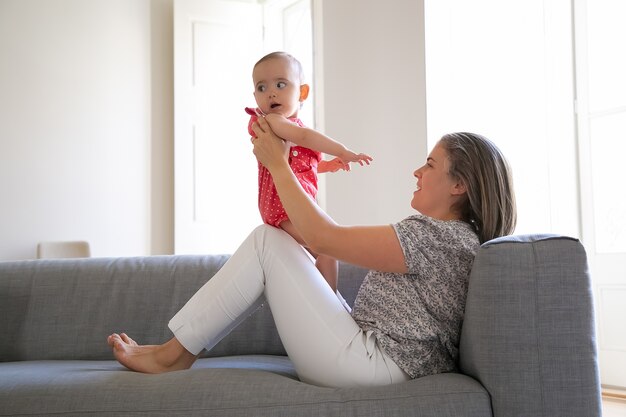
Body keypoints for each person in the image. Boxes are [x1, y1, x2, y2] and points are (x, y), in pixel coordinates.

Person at [107, 127, 517, 388]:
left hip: (373, 367)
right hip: (372, 355)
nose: (417, 172)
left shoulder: (435, 237)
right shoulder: (453, 239)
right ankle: (174, 351)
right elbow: (324, 243)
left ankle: (173, 356)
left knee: (267, 241)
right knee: (276, 241)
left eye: (429, 164)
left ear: (459, 185)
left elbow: (324, 237)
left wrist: (278, 165)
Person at [245, 51, 373, 292]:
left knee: (320, 252)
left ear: (302, 92)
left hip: (295, 205)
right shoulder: (272, 122)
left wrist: (326, 165)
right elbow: (304, 137)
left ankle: (323, 299)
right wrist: (342, 151)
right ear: (255, 96)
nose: (271, 92)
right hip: (282, 207)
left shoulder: (290, 126)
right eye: (261, 88)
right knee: (328, 246)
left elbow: (302, 167)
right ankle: (329, 303)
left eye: (280, 84)